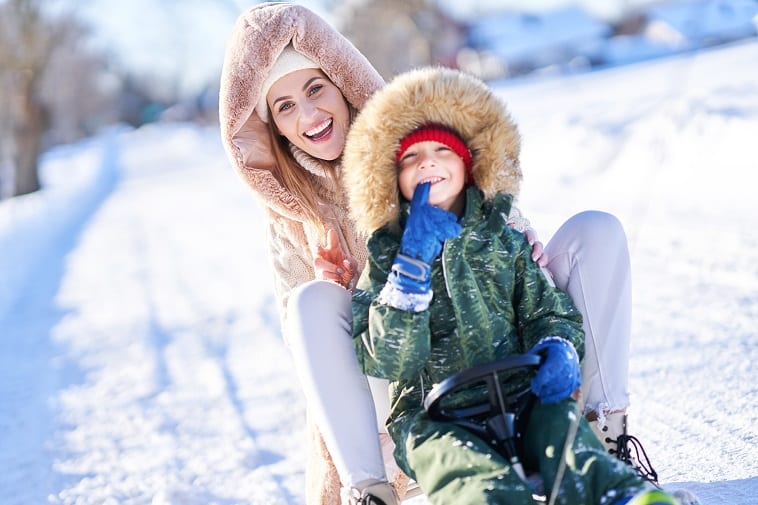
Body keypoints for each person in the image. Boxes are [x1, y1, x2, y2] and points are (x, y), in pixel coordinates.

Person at [219, 3, 659, 504]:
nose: (309, 115)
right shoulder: (291, 216)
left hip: (500, 347)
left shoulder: (417, 143)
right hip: (408, 382)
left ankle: (603, 437)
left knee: (596, 232)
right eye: (285, 106)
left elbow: (495, 217)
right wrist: (346, 288)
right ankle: (371, 492)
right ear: (273, 127)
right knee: (310, 302)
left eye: (315, 89)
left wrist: (517, 236)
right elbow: (317, 352)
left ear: (342, 81)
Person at [343, 65, 683, 505]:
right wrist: (410, 268)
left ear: (468, 163)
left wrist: (557, 347)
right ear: (393, 178)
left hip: (523, 395)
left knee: (567, 440)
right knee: (469, 474)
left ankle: (621, 495)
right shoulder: (387, 259)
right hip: (435, 416)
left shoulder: (503, 239)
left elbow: (548, 311)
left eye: (441, 151)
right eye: (411, 157)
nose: (427, 162)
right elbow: (386, 358)